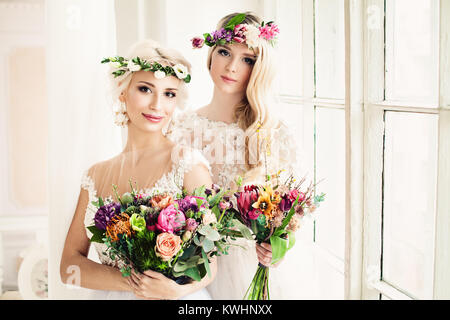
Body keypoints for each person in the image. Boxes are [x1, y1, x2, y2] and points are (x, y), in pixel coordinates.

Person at [60, 39, 216, 300]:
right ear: (123, 92)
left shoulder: (188, 165)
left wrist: (177, 289)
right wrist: (133, 283)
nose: (157, 105)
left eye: (169, 94)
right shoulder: (95, 176)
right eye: (145, 89)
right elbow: (69, 268)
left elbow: (211, 260)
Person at [166, 12, 303, 299]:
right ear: (211, 54)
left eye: (247, 59)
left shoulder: (272, 132)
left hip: (248, 269)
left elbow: (289, 216)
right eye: (225, 52)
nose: (231, 66)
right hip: (189, 268)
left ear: (259, 67)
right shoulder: (179, 126)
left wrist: (277, 249)